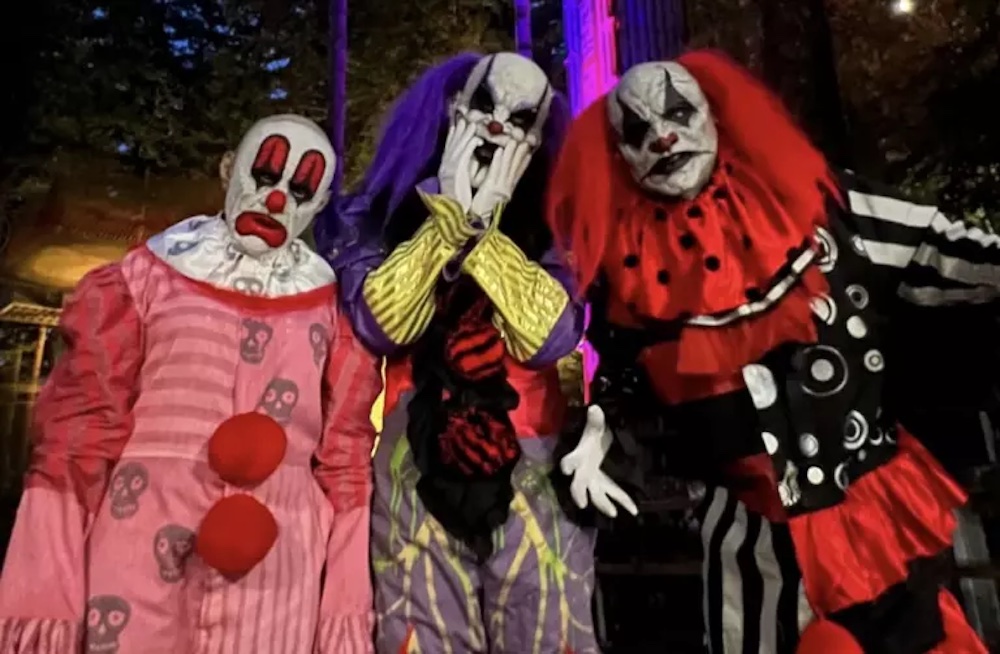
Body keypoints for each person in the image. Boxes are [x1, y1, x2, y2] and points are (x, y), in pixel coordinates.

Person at [546, 50, 993, 653]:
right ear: (619, 157)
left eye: (679, 112)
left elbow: (950, 253)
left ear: (717, 115)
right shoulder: (632, 275)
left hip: (876, 525)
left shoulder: (823, 205)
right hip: (750, 546)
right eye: (637, 130)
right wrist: (599, 438)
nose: (663, 137)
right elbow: (626, 391)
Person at [0, 115, 380, 653]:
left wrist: (343, 608)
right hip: (138, 545)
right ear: (227, 168)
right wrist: (46, 597)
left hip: (278, 568)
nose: (275, 200)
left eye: (300, 190)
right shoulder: (145, 277)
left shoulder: (328, 305)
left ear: (318, 205)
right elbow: (77, 439)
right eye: (263, 175)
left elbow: (345, 461)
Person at [317, 52, 596, 653]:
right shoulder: (376, 216)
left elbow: (548, 337)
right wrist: (447, 217)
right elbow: (381, 324)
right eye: (485, 105)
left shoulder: (558, 226)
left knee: (547, 635)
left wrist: (481, 230)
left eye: (520, 119)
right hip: (414, 464)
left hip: (534, 465)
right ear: (450, 108)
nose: (497, 127)